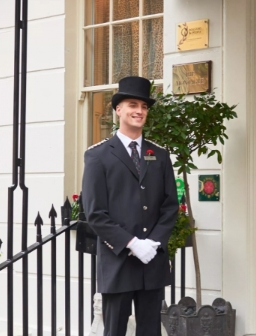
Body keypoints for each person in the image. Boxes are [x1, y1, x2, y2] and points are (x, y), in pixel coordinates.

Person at [82, 76, 178, 336]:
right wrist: (132, 243)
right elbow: (95, 213)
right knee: (114, 331)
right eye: (133, 104)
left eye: (144, 107)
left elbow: (170, 206)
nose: (139, 111)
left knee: (150, 331)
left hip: (151, 260)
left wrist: (153, 243)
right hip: (118, 261)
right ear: (118, 110)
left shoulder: (159, 155)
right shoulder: (98, 156)